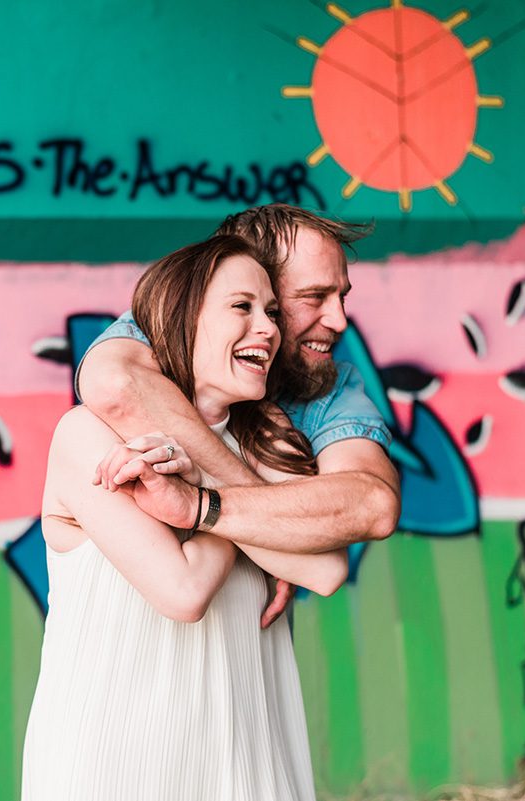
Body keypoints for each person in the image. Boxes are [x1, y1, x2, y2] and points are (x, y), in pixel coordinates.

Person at [22, 235, 344, 801]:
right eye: (241, 307)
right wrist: (239, 505)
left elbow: (325, 569)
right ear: (181, 318)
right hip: (112, 766)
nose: (268, 328)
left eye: (271, 311)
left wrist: (205, 490)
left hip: (243, 764)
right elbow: (183, 589)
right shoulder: (87, 435)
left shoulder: (272, 445)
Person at [78, 205, 400, 625]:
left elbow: (372, 505)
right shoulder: (174, 318)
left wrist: (203, 504)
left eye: (342, 296)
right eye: (314, 297)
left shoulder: (329, 384)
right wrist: (279, 534)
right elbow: (116, 386)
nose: (339, 320)